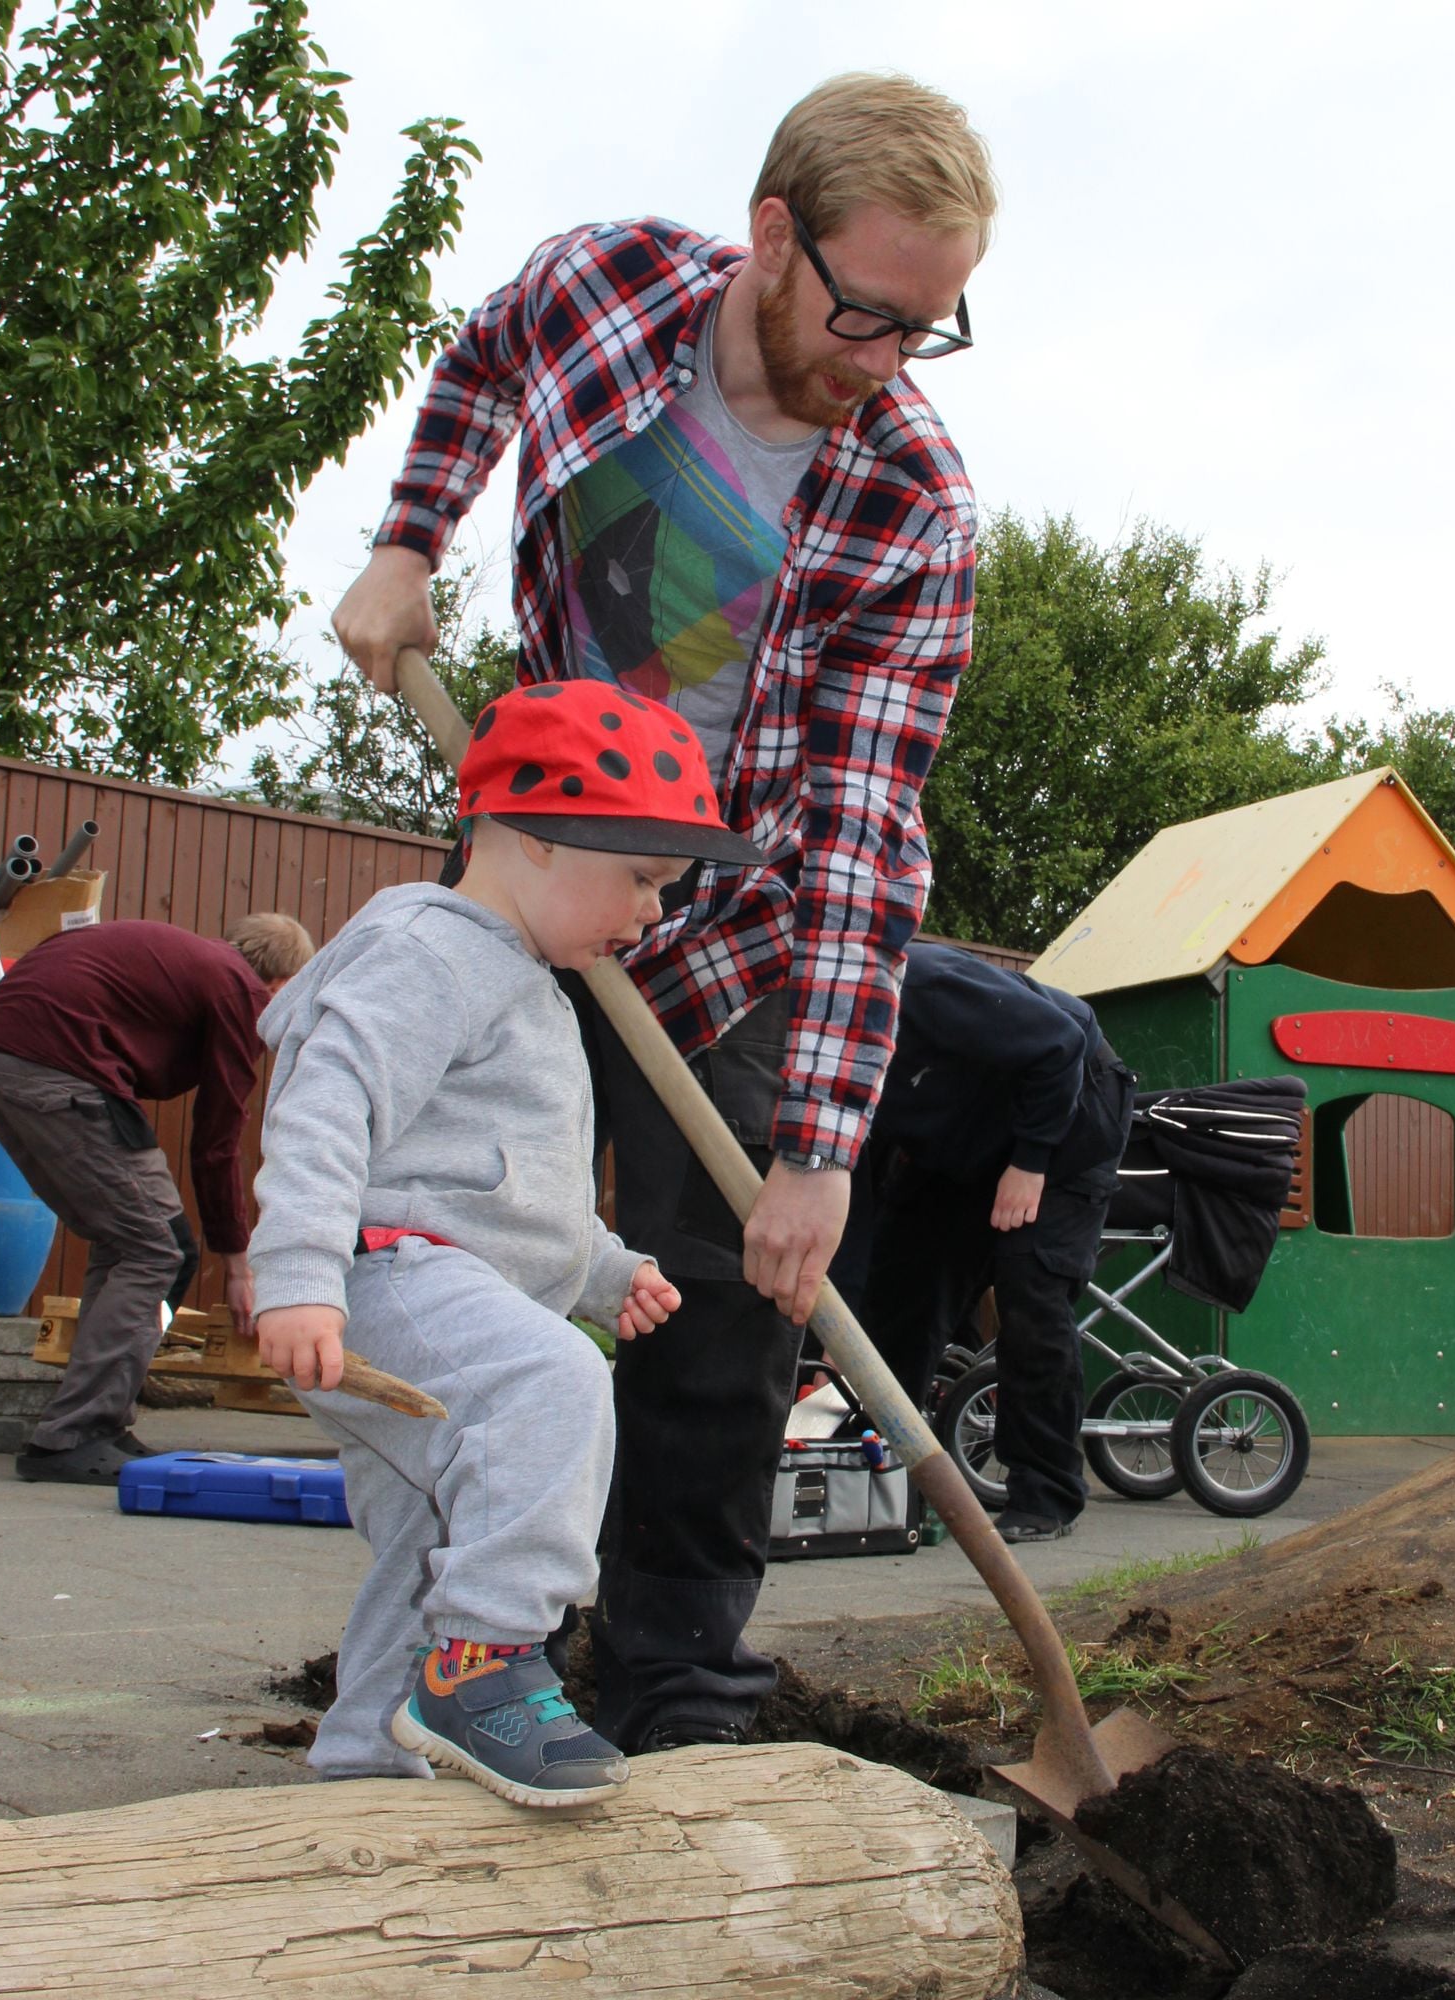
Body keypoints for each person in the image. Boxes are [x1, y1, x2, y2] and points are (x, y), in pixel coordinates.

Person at [328, 72, 998, 1755]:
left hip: (737, 923)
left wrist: (821, 1142)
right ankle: (461, 1640)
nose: (890, 358)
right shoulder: (604, 287)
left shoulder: (912, 502)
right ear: (772, 235)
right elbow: (479, 358)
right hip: (529, 866)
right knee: (462, 1241)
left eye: (934, 325)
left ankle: (678, 1676)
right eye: (868, 312)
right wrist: (412, 541)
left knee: (715, 1301)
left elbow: (863, 829)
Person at [249, 680, 766, 1806]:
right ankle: (483, 1663)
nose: (649, 914)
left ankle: (364, 1756)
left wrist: (600, 1265)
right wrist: (293, 1274)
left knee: (434, 1533)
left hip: (430, 1280)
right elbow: (328, 1102)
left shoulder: (522, 978)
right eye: (637, 878)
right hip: (382, 1274)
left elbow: (506, 1188)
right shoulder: (433, 952)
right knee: (554, 1381)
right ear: (529, 839)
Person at [0, 911, 315, 1484]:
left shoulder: (190, 962)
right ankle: (74, 1435)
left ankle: (97, 1422)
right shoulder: (239, 989)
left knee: (131, 1243)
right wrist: (238, 1262)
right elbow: (218, 1137)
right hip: (59, 1069)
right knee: (160, 1251)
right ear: (278, 984)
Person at [840, 941, 1136, 1541]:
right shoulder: (825, 1050)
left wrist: (1030, 1162)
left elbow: (1059, 1044)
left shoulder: (919, 984)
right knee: (900, 1286)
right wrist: (836, 1329)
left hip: (1067, 1117)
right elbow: (858, 1195)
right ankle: (880, 1477)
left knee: (1030, 1293)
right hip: (960, 1142)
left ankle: (1045, 1494)